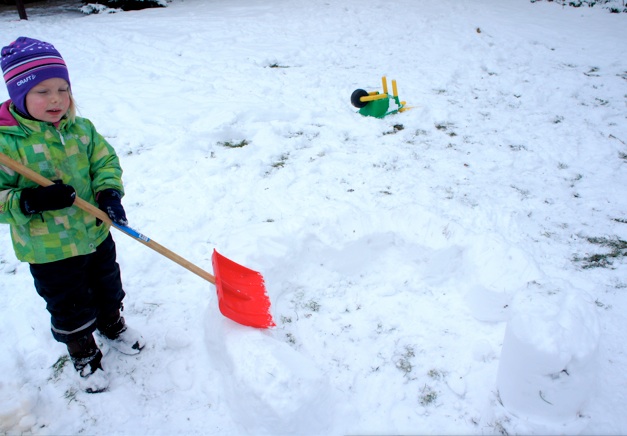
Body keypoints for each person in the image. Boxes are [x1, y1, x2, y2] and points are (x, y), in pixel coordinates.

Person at [0, 37, 144, 393]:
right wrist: (31, 200)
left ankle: (112, 324)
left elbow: (104, 162)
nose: (56, 99)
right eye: (42, 91)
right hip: (49, 249)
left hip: (94, 232)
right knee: (70, 305)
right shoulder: (6, 144)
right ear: (19, 96)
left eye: (63, 89)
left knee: (108, 285)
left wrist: (109, 193)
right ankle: (83, 352)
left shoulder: (81, 129)